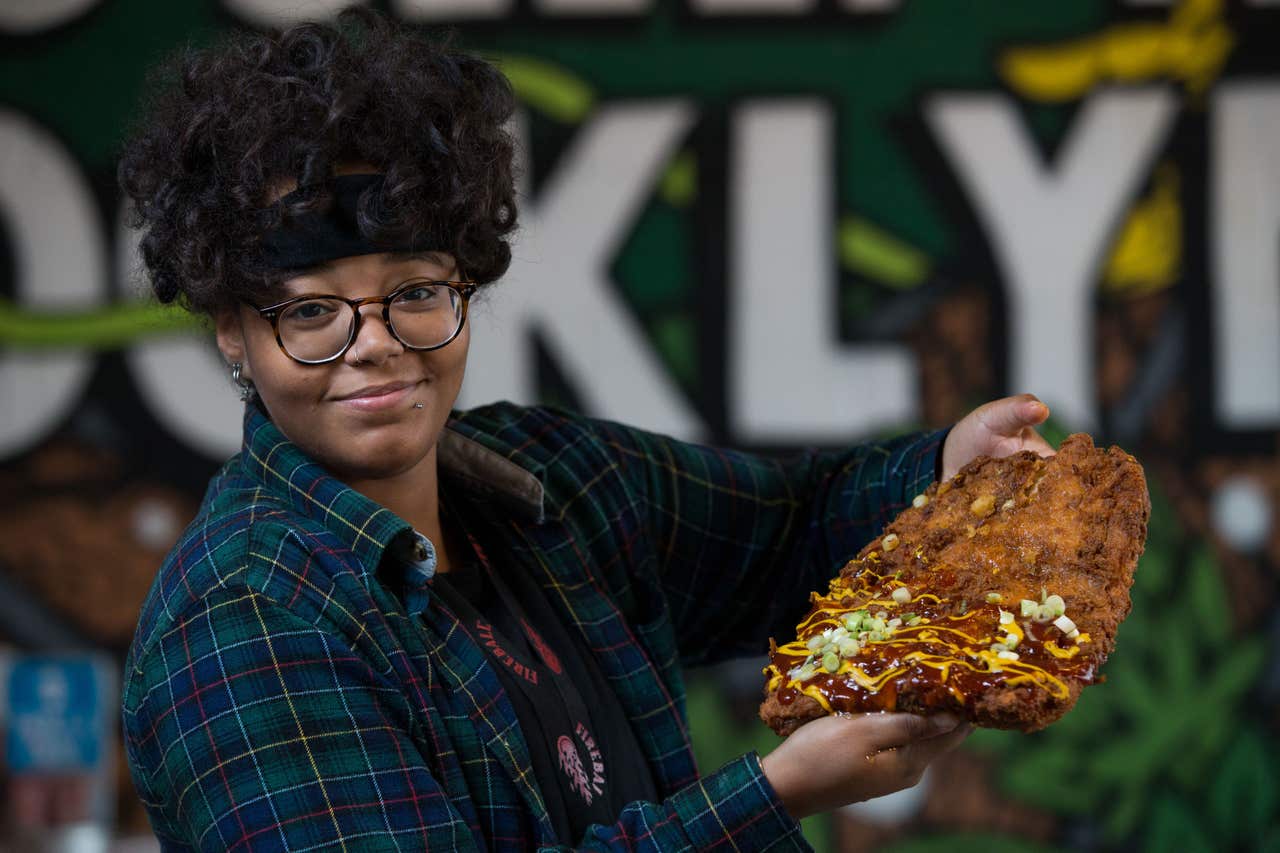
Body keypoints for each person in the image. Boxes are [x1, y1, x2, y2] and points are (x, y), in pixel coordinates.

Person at [117, 9, 1054, 851]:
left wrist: (945, 466)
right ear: (233, 330)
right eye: (313, 312)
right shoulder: (242, 630)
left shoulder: (555, 479)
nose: (376, 346)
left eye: (415, 293)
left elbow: (791, 530)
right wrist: (773, 794)